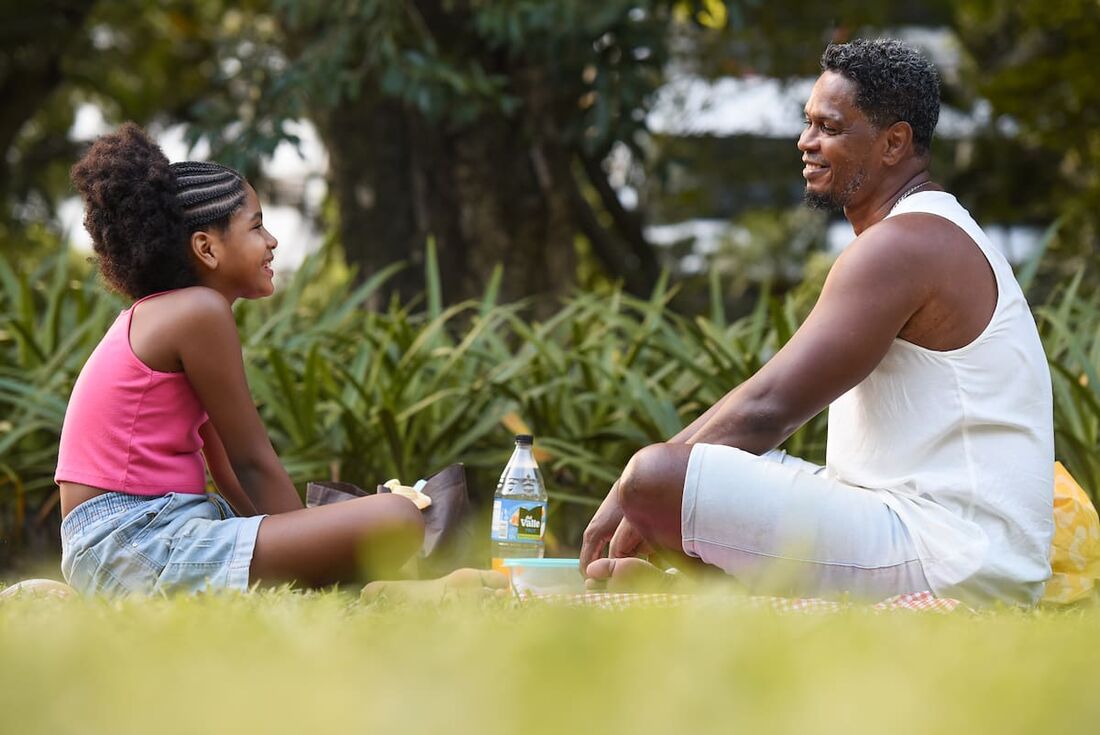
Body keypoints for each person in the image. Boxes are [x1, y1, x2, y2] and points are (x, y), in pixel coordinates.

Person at [579, 39, 1054, 607]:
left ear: (893, 143)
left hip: (949, 553)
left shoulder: (906, 244)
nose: (806, 143)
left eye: (828, 126)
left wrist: (635, 496)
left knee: (658, 475)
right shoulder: (920, 233)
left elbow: (767, 409)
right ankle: (720, 597)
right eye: (808, 124)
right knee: (684, 478)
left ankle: (716, 598)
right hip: (930, 536)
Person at [57, 123, 506, 600]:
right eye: (256, 226)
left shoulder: (172, 316)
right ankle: (372, 589)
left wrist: (313, 540)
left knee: (368, 516)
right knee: (395, 515)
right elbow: (253, 461)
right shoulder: (198, 312)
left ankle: (380, 591)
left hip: (131, 536)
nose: (272, 241)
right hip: (134, 540)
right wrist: (314, 547)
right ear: (206, 248)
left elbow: (227, 462)